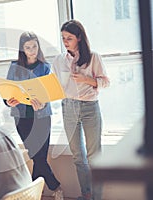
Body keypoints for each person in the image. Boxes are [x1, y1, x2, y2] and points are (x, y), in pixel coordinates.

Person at [52, 20, 110, 200]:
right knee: (78, 157)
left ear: (79, 38)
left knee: (94, 157)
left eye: (69, 38)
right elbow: (53, 86)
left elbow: (105, 82)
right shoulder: (59, 60)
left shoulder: (94, 57)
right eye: (63, 38)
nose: (65, 41)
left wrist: (86, 79)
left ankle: (97, 197)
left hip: (90, 107)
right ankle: (87, 195)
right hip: (68, 107)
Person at [4, 31, 63, 199]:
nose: (32, 50)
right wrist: (8, 101)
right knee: (36, 156)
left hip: (42, 117)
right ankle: (55, 187)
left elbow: (49, 92)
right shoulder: (14, 67)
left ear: (38, 46)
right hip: (21, 118)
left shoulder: (45, 67)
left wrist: (43, 102)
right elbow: (7, 93)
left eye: (34, 46)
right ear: (22, 49)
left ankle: (35, 194)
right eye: (28, 47)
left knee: (40, 157)